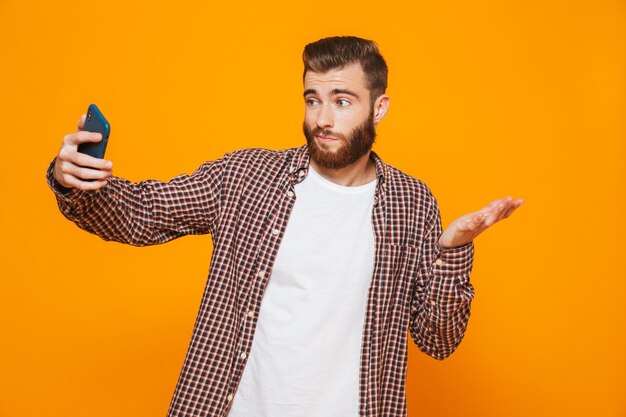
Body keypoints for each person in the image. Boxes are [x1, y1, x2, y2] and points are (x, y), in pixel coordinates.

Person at [47, 36, 523, 417]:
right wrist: (75, 183)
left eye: (342, 101)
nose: (322, 118)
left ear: (379, 108)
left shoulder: (411, 203)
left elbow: (437, 340)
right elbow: (141, 212)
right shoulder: (247, 177)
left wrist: (453, 250)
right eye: (313, 99)